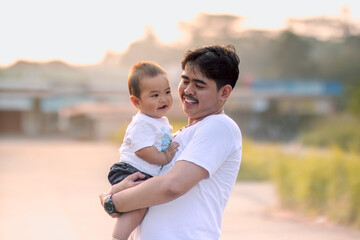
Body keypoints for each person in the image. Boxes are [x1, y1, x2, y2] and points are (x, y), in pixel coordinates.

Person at [100, 44, 242, 240]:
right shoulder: (173, 136)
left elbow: (172, 186)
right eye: (185, 81)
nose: (188, 91)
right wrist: (116, 196)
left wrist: (111, 200)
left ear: (224, 93)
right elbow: (137, 201)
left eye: (199, 85)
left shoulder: (220, 126)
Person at [106, 61, 179, 240]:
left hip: (141, 173)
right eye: (154, 95)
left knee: (139, 212)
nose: (163, 99)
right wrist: (165, 156)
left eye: (167, 92)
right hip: (130, 171)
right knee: (137, 208)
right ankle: (118, 237)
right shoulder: (142, 123)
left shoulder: (157, 120)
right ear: (136, 101)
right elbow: (143, 150)